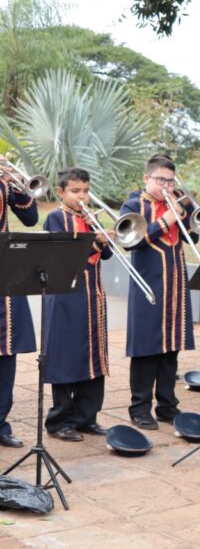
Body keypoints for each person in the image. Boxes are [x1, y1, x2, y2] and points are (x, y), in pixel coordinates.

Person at [120, 155, 196, 430]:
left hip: (175, 284)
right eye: (161, 180)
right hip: (148, 287)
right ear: (146, 179)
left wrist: (185, 213)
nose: (167, 185)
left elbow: (193, 237)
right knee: (146, 349)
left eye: (170, 180)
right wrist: (165, 220)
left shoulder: (176, 204)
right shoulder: (133, 205)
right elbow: (133, 242)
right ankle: (140, 408)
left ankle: (167, 405)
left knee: (170, 348)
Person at [43, 168, 111, 441]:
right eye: (75, 191)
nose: (82, 197)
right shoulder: (55, 218)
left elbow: (105, 255)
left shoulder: (90, 217)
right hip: (66, 297)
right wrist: (95, 244)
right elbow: (63, 255)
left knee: (93, 355)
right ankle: (60, 421)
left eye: (85, 191)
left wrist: (102, 237)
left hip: (93, 296)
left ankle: (86, 416)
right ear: (61, 192)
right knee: (65, 355)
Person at [0, 160, 39, 448]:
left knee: (7, 348)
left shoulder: (3, 184)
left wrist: (19, 186)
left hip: (5, 271)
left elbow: (31, 219)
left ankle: (0, 423)